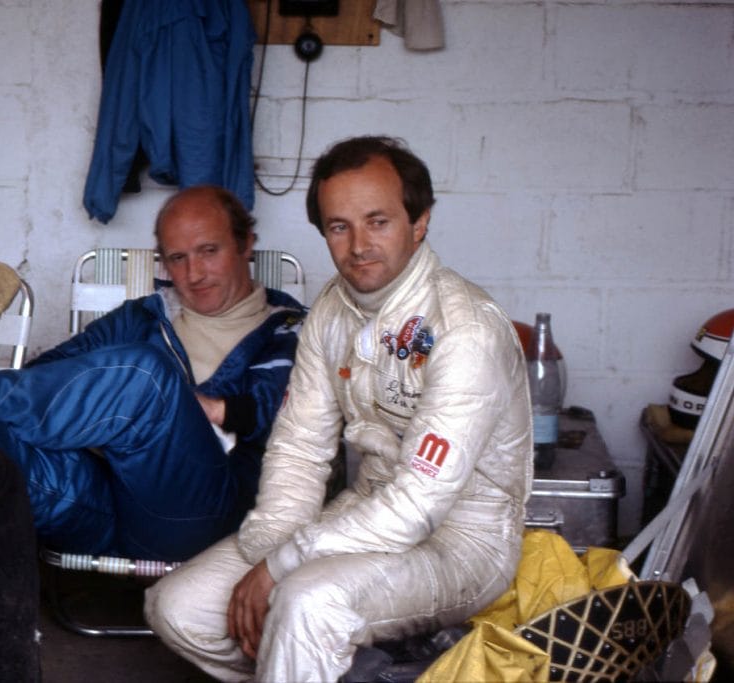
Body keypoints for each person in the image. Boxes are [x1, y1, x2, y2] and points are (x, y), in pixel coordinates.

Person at [145, 136, 533, 681]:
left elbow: (418, 504)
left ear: (419, 222)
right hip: (362, 511)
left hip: (461, 542)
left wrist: (283, 567)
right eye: (338, 227)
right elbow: (300, 447)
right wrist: (268, 550)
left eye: (378, 222)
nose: (358, 246)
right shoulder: (332, 308)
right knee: (177, 606)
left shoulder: (465, 328)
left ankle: (310, 658)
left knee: (306, 603)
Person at [0, 185, 307, 561]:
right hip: (98, 508)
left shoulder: (289, 328)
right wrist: (98, 418)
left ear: (246, 244)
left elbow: (288, 413)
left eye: (209, 251)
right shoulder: (141, 316)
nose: (193, 273)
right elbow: (50, 376)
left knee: (147, 377)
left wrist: (197, 408)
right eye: (177, 258)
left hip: (196, 516)